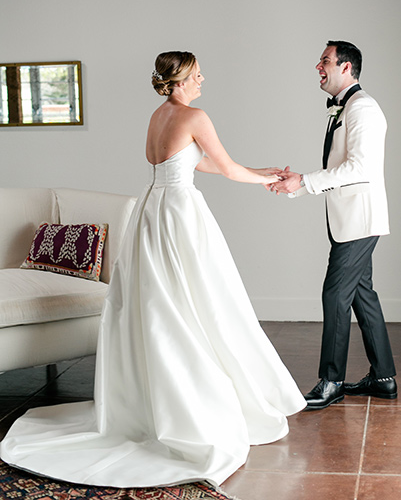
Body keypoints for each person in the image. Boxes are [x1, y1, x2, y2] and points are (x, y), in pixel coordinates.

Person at [1, 51, 306, 487]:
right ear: (179, 80)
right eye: (197, 74)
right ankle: (195, 401)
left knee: (161, 299)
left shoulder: (158, 115)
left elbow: (192, 162)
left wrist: (261, 170)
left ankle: (151, 399)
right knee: (201, 299)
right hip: (180, 212)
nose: (203, 80)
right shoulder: (194, 115)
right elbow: (226, 168)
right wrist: (268, 180)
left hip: (152, 209)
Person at [271, 41, 397, 410]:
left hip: (360, 220)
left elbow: (361, 168)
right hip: (351, 220)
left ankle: (331, 382)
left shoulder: (363, 109)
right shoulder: (346, 108)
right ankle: (384, 378)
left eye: (324, 61)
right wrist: (299, 182)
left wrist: (304, 182)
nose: (318, 67)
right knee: (361, 295)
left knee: (335, 295)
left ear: (346, 67)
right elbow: (340, 167)